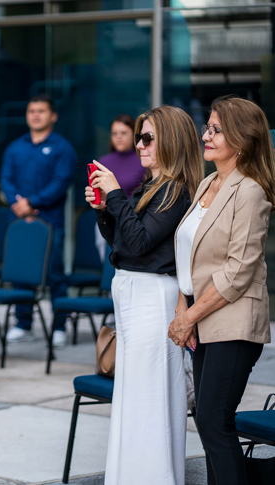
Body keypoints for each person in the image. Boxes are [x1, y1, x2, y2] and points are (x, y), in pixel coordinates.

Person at [86, 105, 203, 485]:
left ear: (171, 141)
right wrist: (104, 209)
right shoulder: (152, 186)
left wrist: (115, 194)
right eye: (139, 137)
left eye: (148, 137)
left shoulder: (175, 190)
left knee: (149, 396)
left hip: (153, 297)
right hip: (135, 293)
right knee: (135, 395)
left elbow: (138, 243)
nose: (139, 144)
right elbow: (122, 243)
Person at [168, 96, 274, 484]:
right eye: (207, 127)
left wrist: (189, 317)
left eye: (216, 129)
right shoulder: (207, 183)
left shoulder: (251, 192)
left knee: (214, 420)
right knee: (208, 420)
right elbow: (188, 257)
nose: (205, 135)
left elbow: (238, 271)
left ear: (242, 139)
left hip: (234, 321)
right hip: (202, 318)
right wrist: (183, 310)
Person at [0, 94, 77, 346]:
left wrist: (31, 203)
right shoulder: (15, 147)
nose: (35, 115)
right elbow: (6, 180)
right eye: (31, 110)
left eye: (41, 111)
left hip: (50, 222)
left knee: (54, 275)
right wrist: (19, 204)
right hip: (20, 223)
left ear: (53, 116)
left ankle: (59, 326)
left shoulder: (62, 148)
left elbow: (60, 183)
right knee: (21, 274)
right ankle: (23, 324)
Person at [94, 114, 147, 260]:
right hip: (107, 219)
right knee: (109, 264)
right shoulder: (103, 162)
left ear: (134, 135)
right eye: (114, 133)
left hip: (133, 220)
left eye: (123, 133)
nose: (118, 137)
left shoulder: (144, 160)